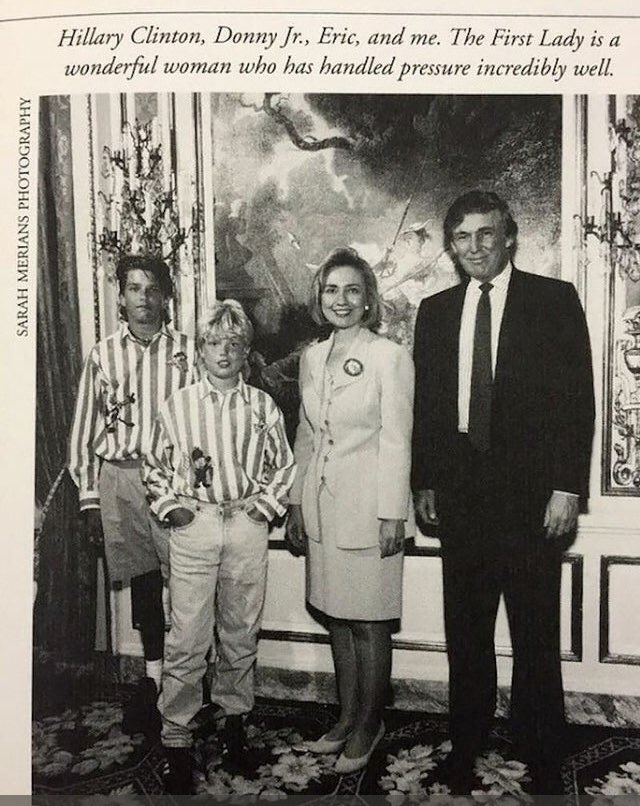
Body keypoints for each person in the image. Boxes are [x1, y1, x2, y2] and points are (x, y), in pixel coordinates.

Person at [412, 190, 595, 793]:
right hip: (461, 498)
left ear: (509, 236)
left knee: (535, 634)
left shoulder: (553, 300)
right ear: (451, 245)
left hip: (531, 498)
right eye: (462, 237)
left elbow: (578, 402)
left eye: (486, 234)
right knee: (466, 635)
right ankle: (465, 747)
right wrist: (425, 480)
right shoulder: (435, 311)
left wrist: (567, 487)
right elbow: (429, 406)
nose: (475, 247)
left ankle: (542, 754)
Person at [143, 299, 295, 794]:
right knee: (187, 636)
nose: (224, 352)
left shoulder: (262, 406)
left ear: (246, 351)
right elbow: (154, 466)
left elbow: (283, 466)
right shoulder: (179, 405)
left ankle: (234, 723)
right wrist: (174, 508)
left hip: (246, 525)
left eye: (234, 343)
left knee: (240, 631)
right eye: (214, 343)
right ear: (201, 351)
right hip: (196, 524)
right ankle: (177, 737)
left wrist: (263, 508)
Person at [286, 247, 414, 775]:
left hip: (370, 511)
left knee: (369, 622)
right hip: (322, 509)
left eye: (352, 290)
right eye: (331, 290)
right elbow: (306, 434)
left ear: (368, 299)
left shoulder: (389, 356)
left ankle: (369, 723)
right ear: (320, 298)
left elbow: (398, 440)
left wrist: (392, 514)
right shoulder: (312, 357)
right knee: (337, 617)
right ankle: (345, 718)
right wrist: (296, 501)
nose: (341, 300)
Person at [68, 254, 197, 732]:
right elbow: (84, 430)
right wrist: (90, 500)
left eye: (152, 288)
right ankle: (154, 679)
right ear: (121, 297)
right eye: (134, 288)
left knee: (187, 582)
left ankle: (189, 680)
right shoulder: (103, 355)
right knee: (144, 584)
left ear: (166, 297)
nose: (144, 297)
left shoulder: (188, 352)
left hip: (175, 481)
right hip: (121, 480)